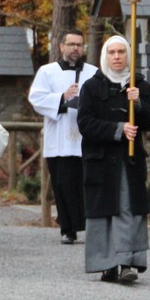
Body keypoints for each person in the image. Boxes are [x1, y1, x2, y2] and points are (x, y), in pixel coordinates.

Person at [77, 34, 150, 283]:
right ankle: (106, 264)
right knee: (103, 211)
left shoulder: (140, 86)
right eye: (112, 52)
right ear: (105, 56)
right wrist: (117, 129)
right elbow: (85, 123)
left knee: (127, 209)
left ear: (128, 56)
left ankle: (127, 262)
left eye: (121, 52)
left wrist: (139, 104)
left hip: (128, 160)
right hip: (100, 159)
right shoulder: (91, 87)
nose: (117, 57)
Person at [29, 29, 98, 244]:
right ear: (61, 47)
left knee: (87, 185)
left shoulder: (93, 72)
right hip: (60, 138)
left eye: (79, 44)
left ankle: (90, 227)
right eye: (71, 44)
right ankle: (67, 229)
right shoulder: (47, 72)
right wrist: (62, 98)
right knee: (63, 185)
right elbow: (36, 98)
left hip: (85, 139)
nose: (76, 48)